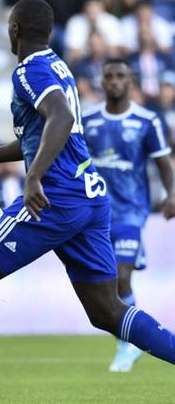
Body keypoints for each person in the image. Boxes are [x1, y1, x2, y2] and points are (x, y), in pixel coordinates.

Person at [0, 0, 175, 403]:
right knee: (107, 310)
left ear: (14, 29)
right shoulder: (57, 67)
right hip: (89, 197)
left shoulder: (29, 70)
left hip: (54, 198)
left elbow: (62, 119)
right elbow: (39, 137)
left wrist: (34, 177)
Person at [83, 58, 175, 372]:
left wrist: (171, 194)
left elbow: (163, 161)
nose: (114, 81)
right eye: (108, 76)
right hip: (94, 214)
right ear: (102, 81)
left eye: (120, 76)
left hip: (131, 213)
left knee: (121, 276)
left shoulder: (147, 120)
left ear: (130, 81)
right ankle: (127, 339)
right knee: (105, 288)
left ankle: (128, 344)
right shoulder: (88, 119)